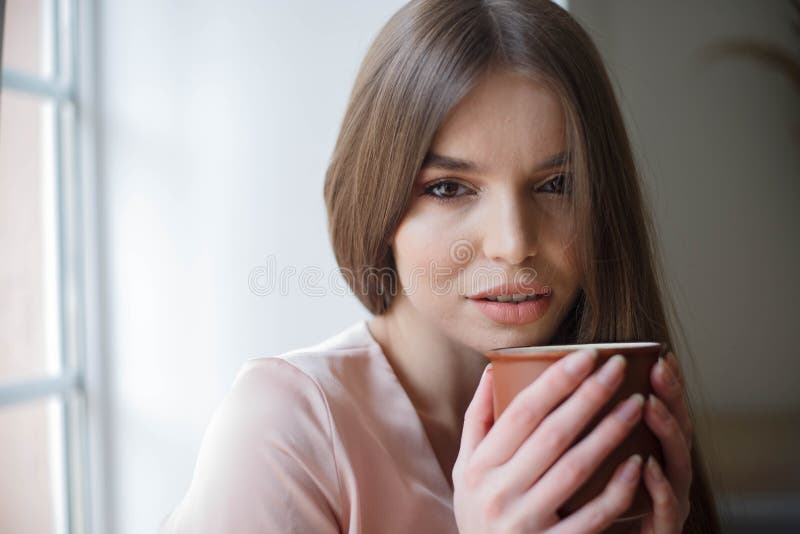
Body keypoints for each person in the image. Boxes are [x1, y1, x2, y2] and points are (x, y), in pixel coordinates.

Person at [161, 1, 721, 532]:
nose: (514, 242)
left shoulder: (621, 429)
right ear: (378, 202)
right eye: (449, 188)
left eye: (557, 184)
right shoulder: (286, 428)